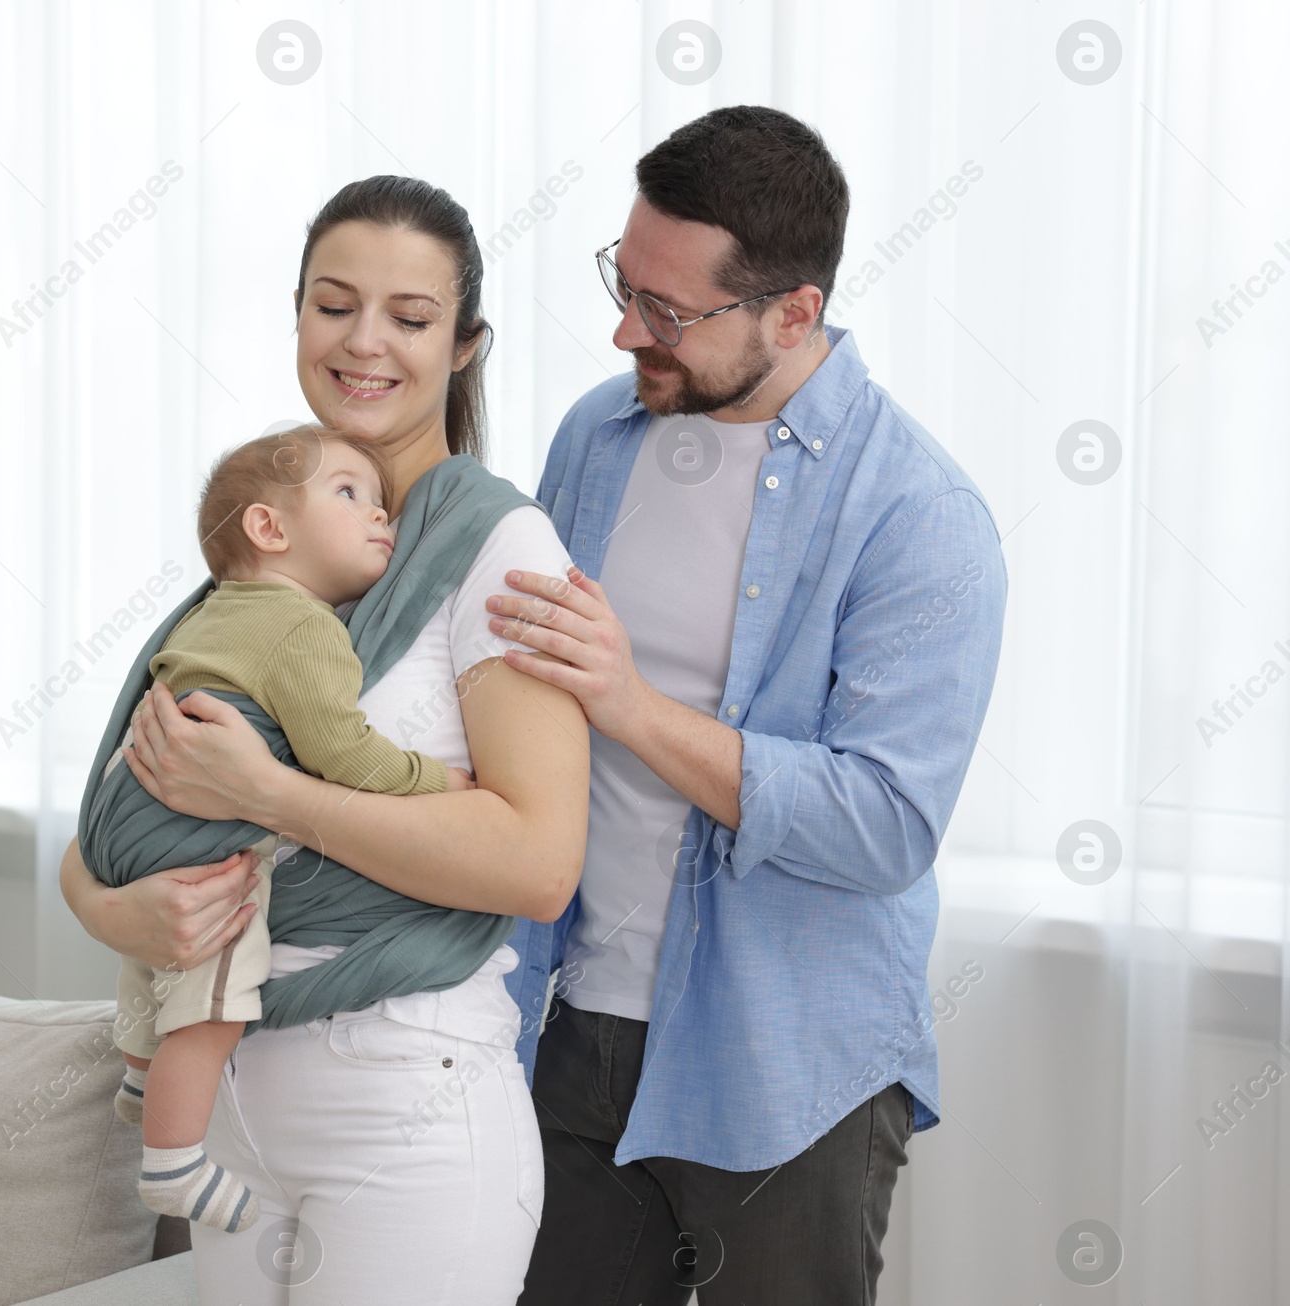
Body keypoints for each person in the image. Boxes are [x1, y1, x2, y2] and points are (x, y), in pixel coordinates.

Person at [486, 106, 1008, 1304]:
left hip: (785, 1072)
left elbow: (883, 825)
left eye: (667, 313)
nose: (627, 330)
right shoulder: (598, 435)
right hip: (571, 1030)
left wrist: (629, 702)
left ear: (794, 313)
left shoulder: (921, 517)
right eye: (625, 285)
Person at [59, 176, 589, 1306]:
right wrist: (115, 911)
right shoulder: (263, 560)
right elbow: (124, 810)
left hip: (404, 1102)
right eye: (332, 304)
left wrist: (269, 792)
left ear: (463, 345)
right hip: (238, 1102)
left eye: (409, 317)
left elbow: (540, 864)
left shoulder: (502, 548)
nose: (363, 342)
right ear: (295, 313)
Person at [89, 426, 476, 1236]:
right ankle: (172, 1164)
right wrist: (437, 777)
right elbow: (345, 755)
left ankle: (136, 1074)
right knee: (219, 986)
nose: (381, 518)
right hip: (189, 826)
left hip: (124, 809)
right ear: (270, 530)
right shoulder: (306, 629)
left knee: (157, 939)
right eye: (349, 495)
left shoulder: (211, 613)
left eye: (381, 501)